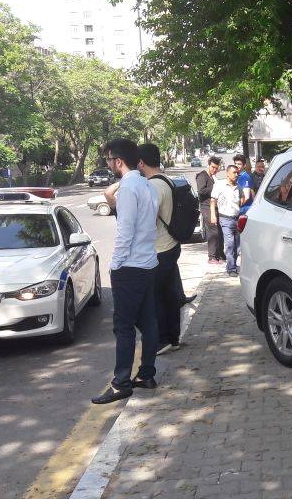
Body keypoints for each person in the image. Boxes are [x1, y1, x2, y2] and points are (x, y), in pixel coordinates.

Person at [92, 138, 159, 405]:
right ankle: (146, 375)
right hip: (147, 263)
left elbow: (125, 230)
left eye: (109, 160)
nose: (108, 164)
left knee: (124, 327)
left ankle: (121, 383)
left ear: (118, 161)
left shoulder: (130, 186)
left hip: (130, 267)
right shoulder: (145, 184)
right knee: (148, 322)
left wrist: (115, 264)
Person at [138, 143, 186, 356]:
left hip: (159, 248)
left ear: (141, 162)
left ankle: (163, 339)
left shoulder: (152, 186)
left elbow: (148, 220)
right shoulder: (166, 179)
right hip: (172, 244)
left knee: (156, 296)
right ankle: (174, 338)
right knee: (170, 293)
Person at [211, 164, 242, 277]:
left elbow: (242, 200)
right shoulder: (219, 185)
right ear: (228, 173)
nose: (236, 175)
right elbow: (213, 201)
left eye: (237, 173)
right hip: (225, 219)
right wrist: (213, 215)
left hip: (237, 218)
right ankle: (231, 268)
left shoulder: (238, 187)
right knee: (229, 243)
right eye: (234, 173)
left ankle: (232, 264)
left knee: (237, 245)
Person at [195, 156, 224, 264]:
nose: (214, 170)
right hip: (206, 207)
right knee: (213, 231)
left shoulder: (213, 177)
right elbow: (201, 192)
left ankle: (219, 255)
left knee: (219, 231)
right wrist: (216, 187)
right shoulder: (202, 175)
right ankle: (212, 257)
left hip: (215, 207)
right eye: (213, 167)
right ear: (208, 165)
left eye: (217, 168)